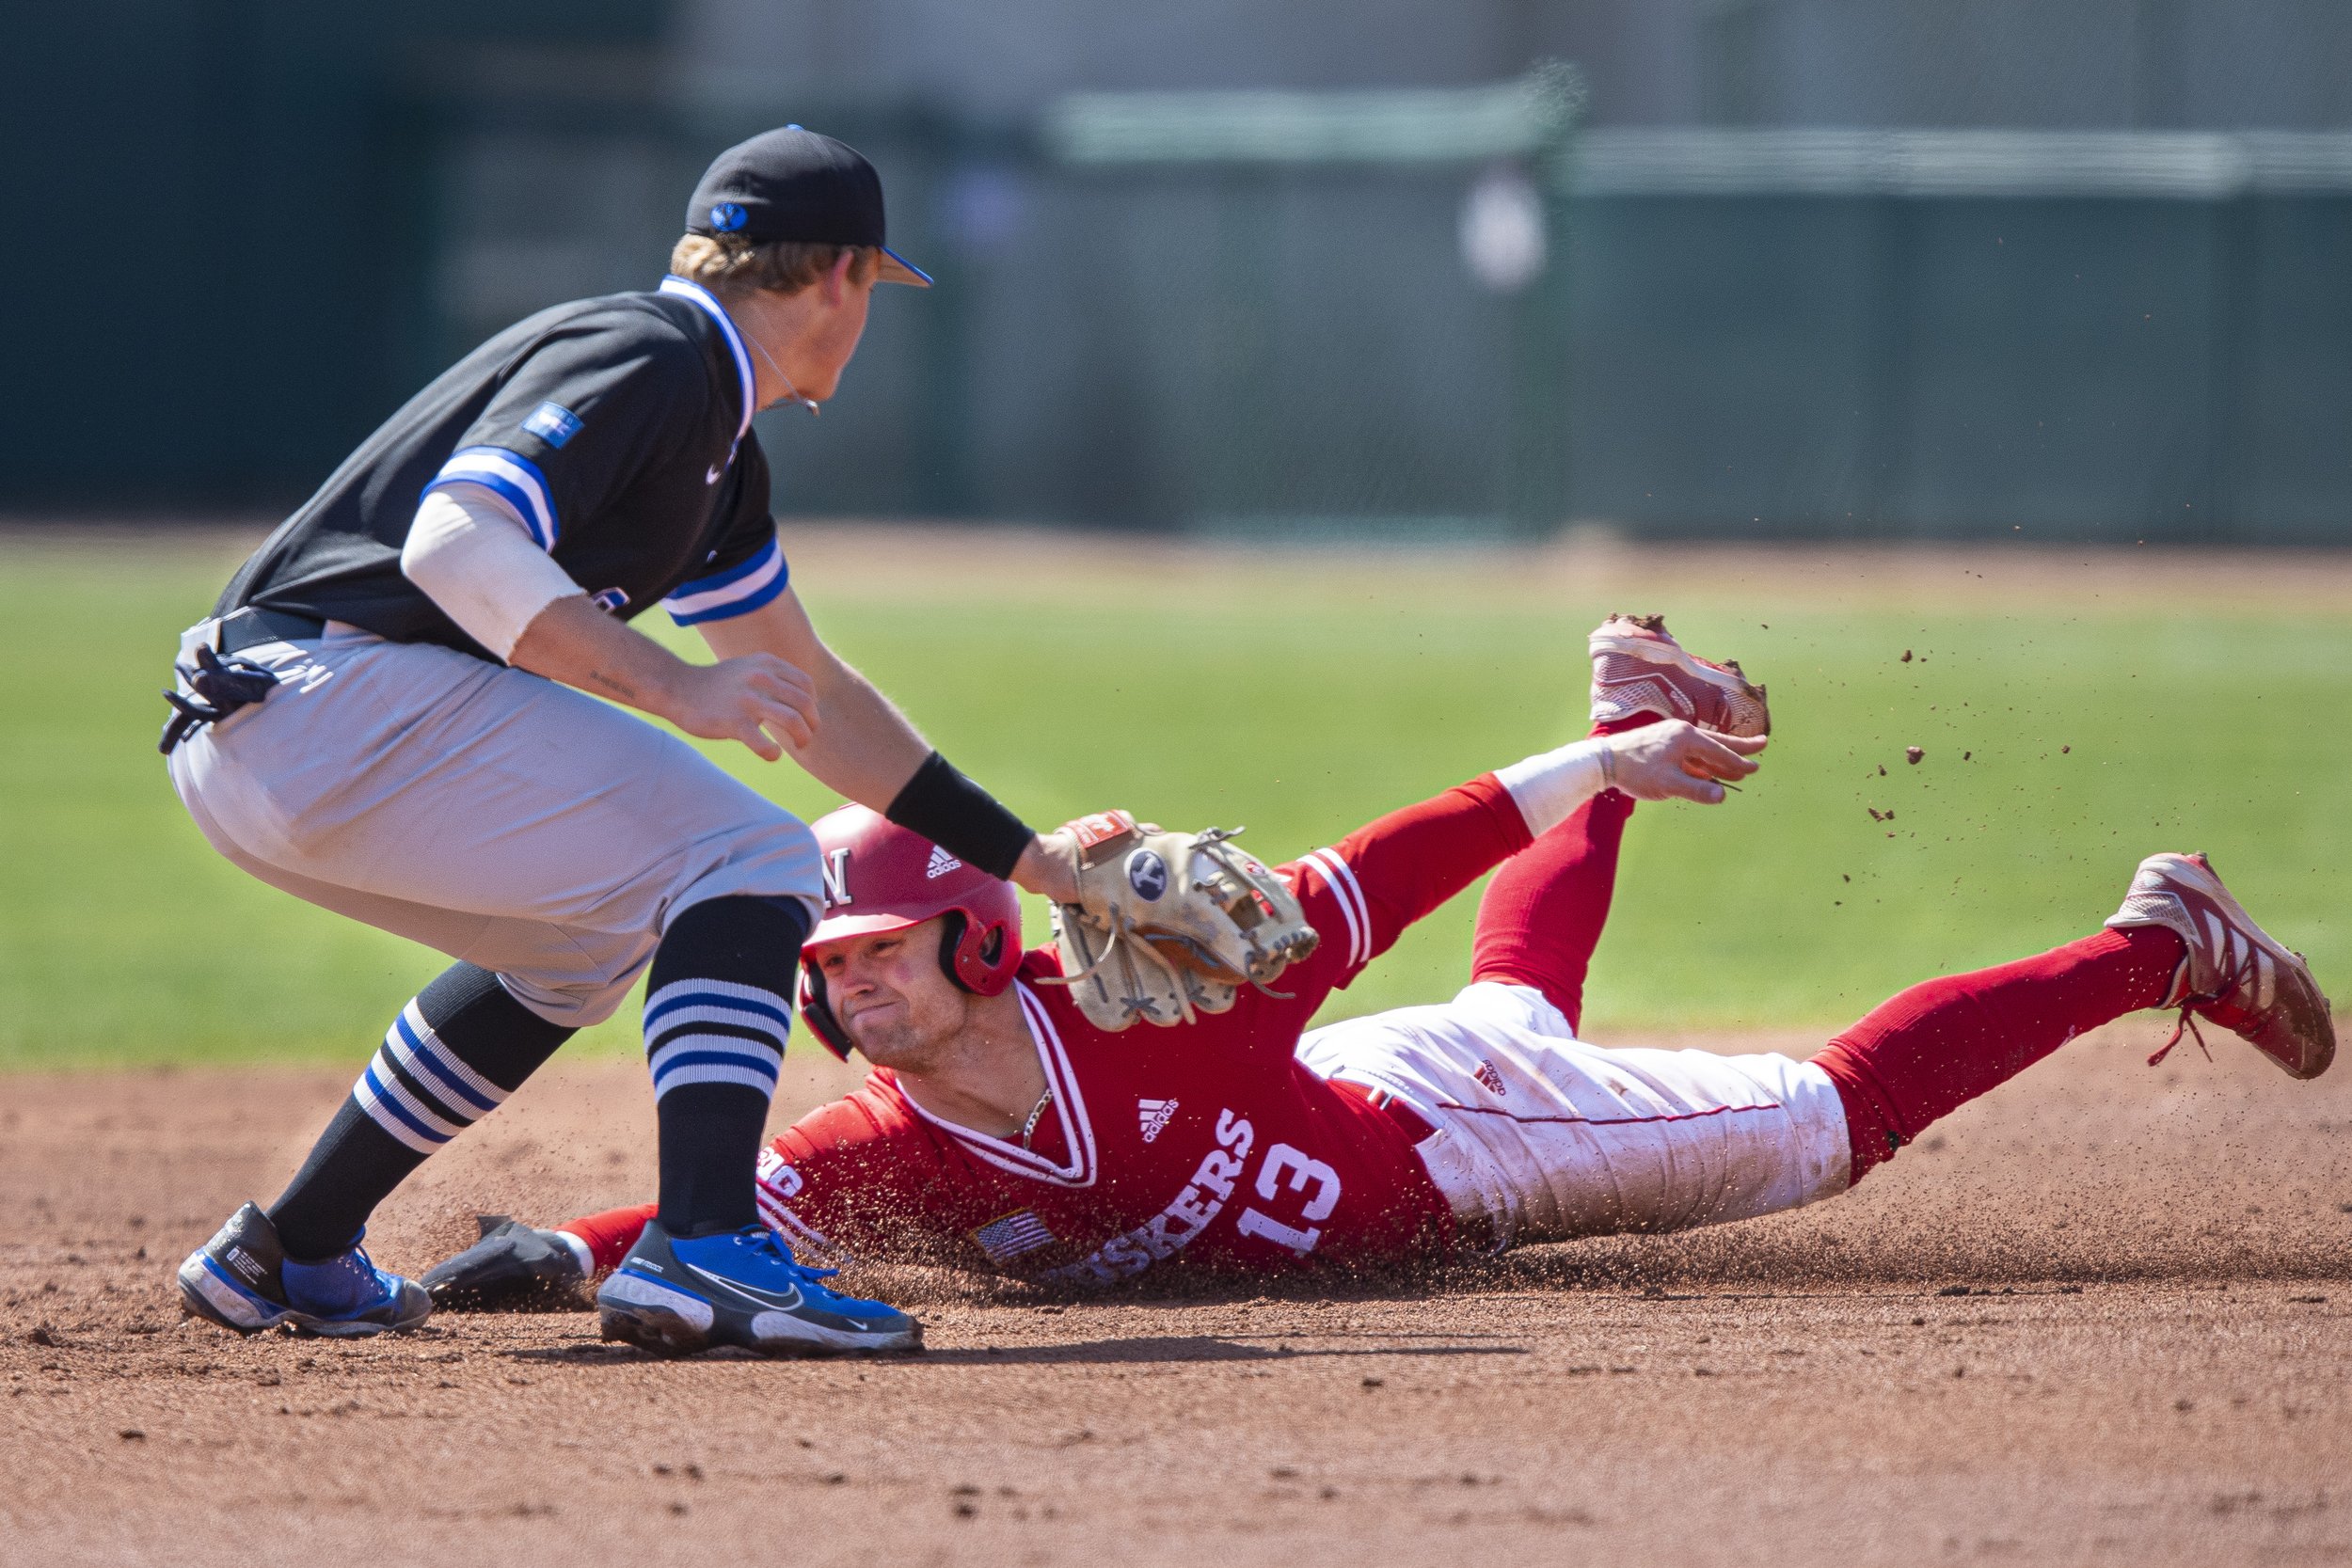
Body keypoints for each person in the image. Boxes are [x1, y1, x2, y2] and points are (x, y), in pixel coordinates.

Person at [421, 614, 2331, 1314]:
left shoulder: (1146, 989)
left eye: (871, 954)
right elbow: (692, 1217)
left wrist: (1580, 774)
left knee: (1822, 1125)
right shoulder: (876, 1157)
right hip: (1401, 1119)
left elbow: (1378, 877)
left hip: (1460, 1154)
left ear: (985, 932)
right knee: (1513, 1009)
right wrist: (510, 1264)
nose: (841, 992)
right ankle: (1620, 696)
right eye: (822, 970)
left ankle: (2145, 940)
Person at [166, 127, 1086, 1356]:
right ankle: (706, 1252)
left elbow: (817, 696)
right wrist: (673, 686)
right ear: (837, 278)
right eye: (871, 285)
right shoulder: (653, 356)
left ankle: (290, 1247)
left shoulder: (716, 447)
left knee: (581, 951)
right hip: (328, 694)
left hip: (274, 736)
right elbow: (459, 542)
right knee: (754, 861)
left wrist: (1047, 869)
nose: (865, 314)